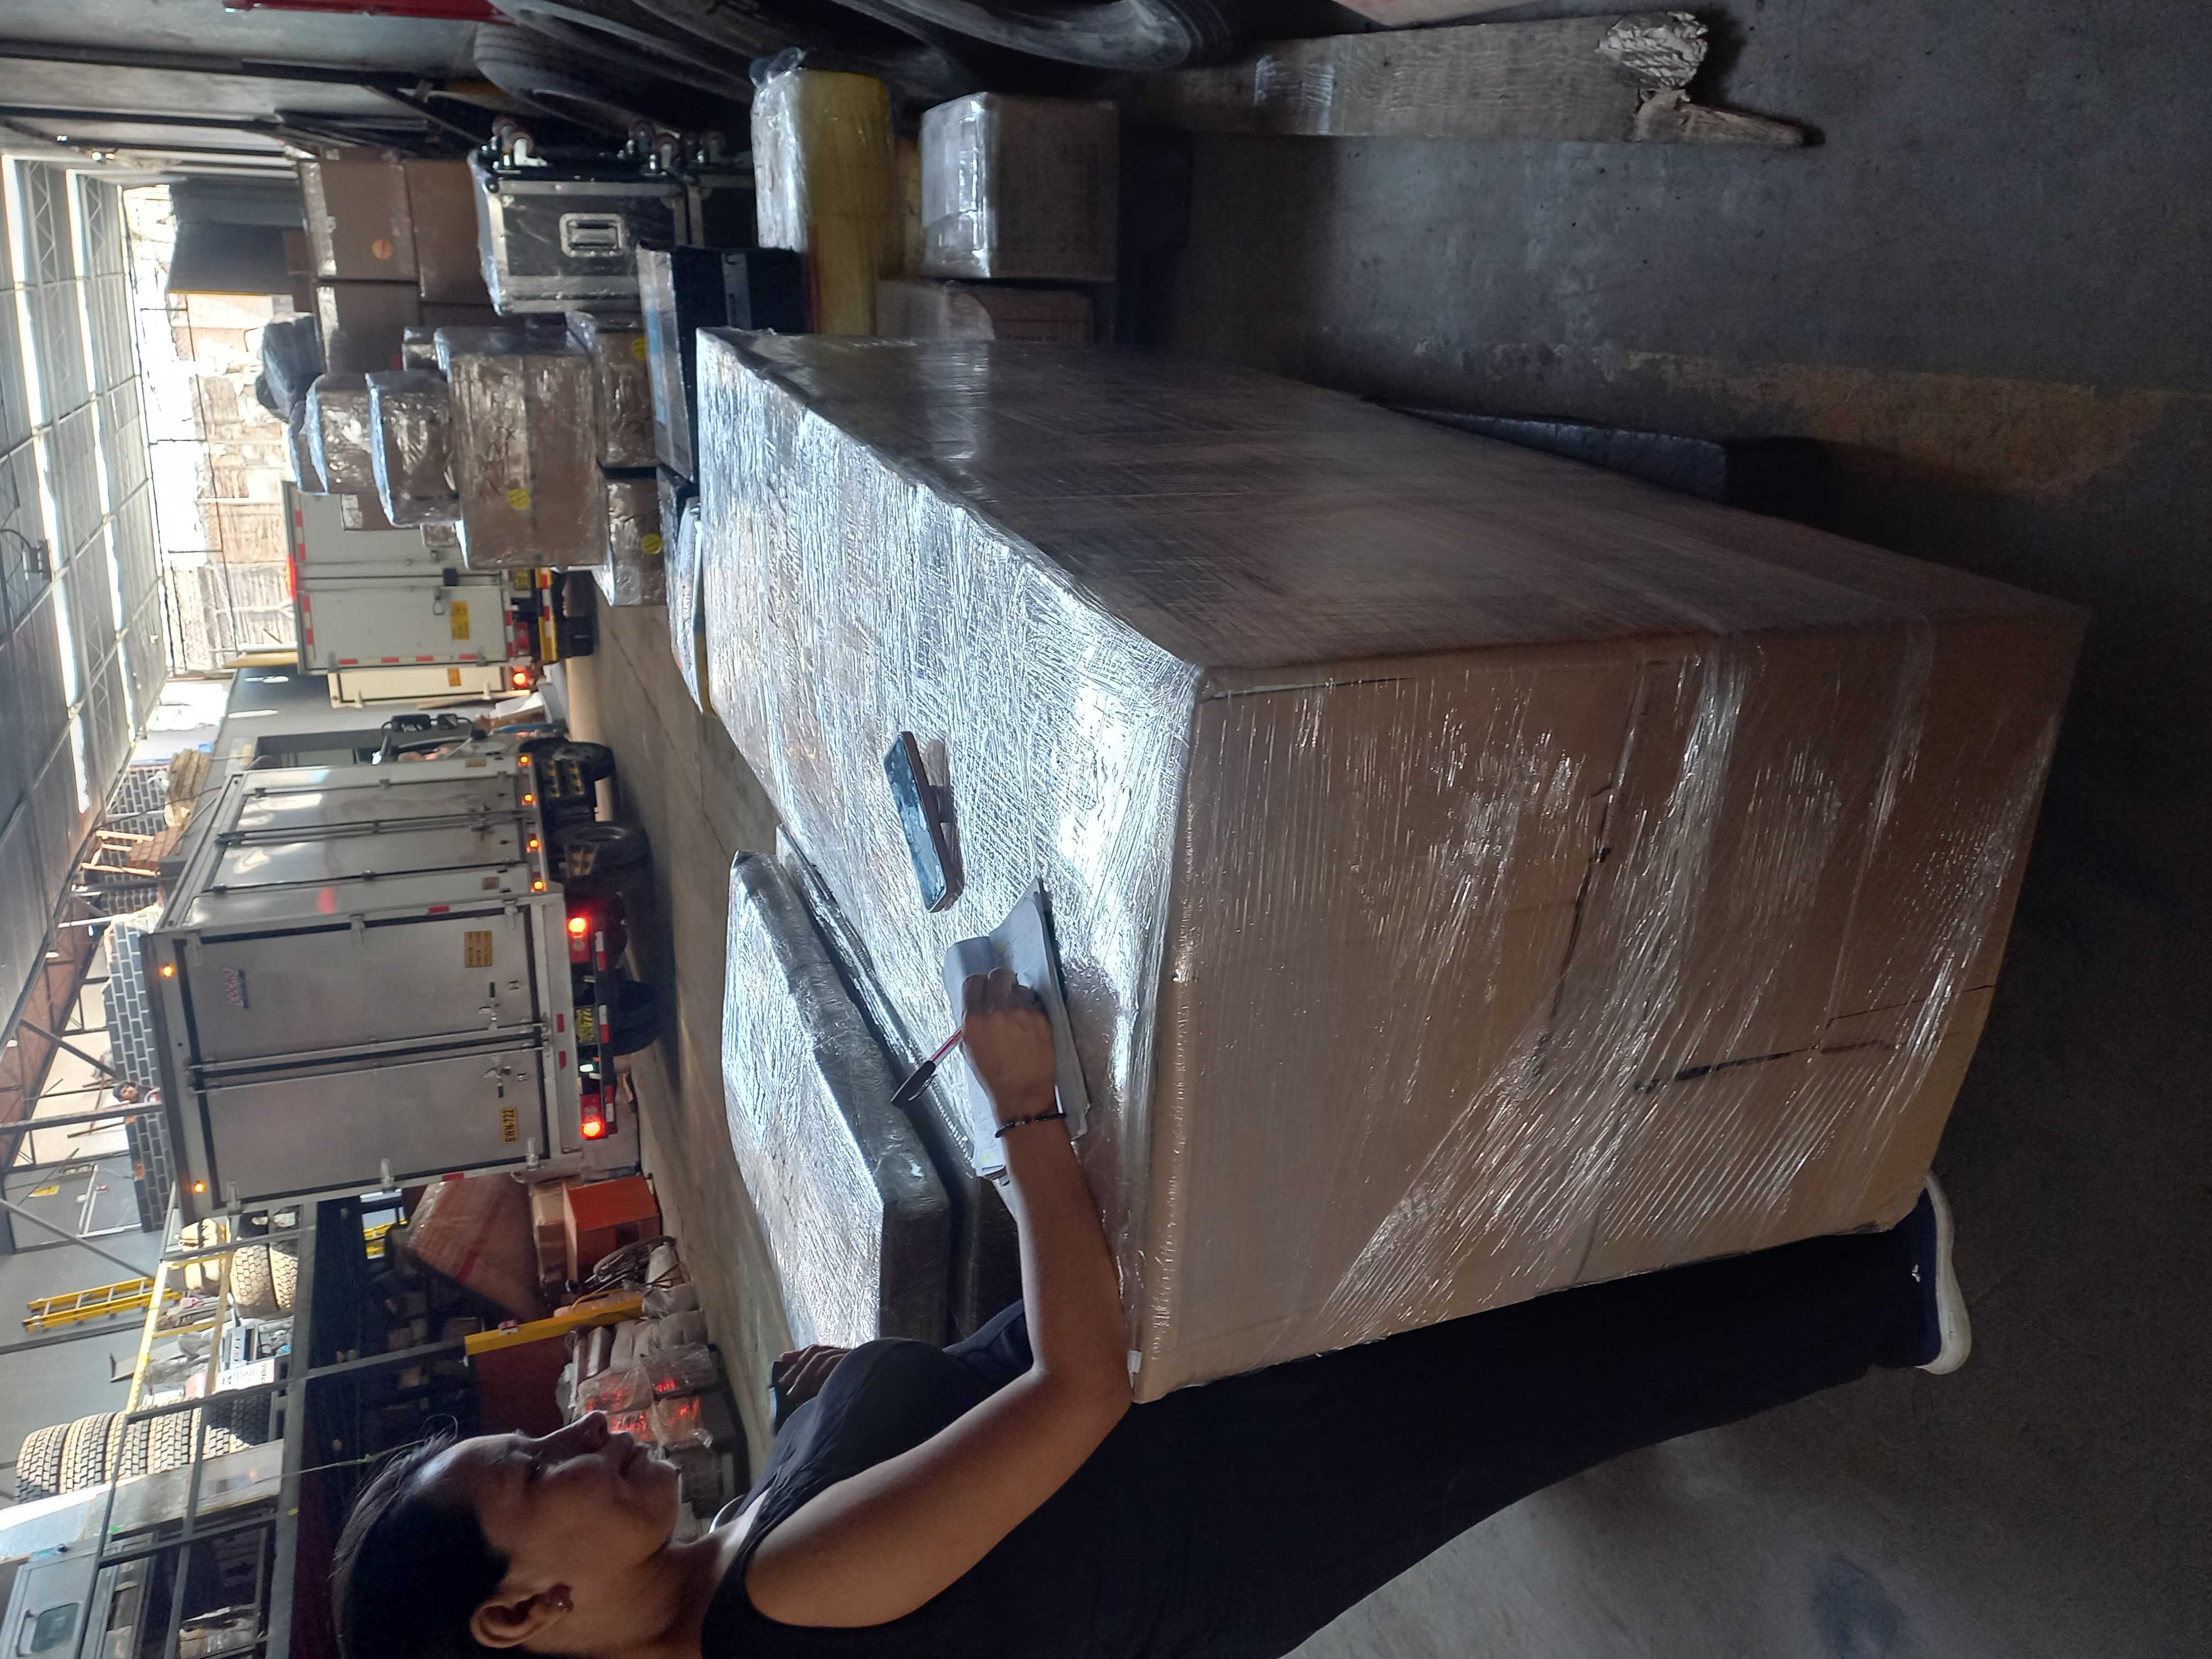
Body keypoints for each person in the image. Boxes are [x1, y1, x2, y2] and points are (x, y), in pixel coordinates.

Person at [333, 969, 1971, 1659]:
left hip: (1212, 1427)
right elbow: (1075, 1396)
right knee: (1531, 1383)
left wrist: (843, 1387)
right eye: (534, 1473)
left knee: (1517, 1337)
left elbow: (930, 1469)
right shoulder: (783, 1604)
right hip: (1236, 1476)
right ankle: (1883, 1292)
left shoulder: (729, 1568)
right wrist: (1025, 1116)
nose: (576, 1431)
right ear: (520, 1619)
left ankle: (1822, 1221)